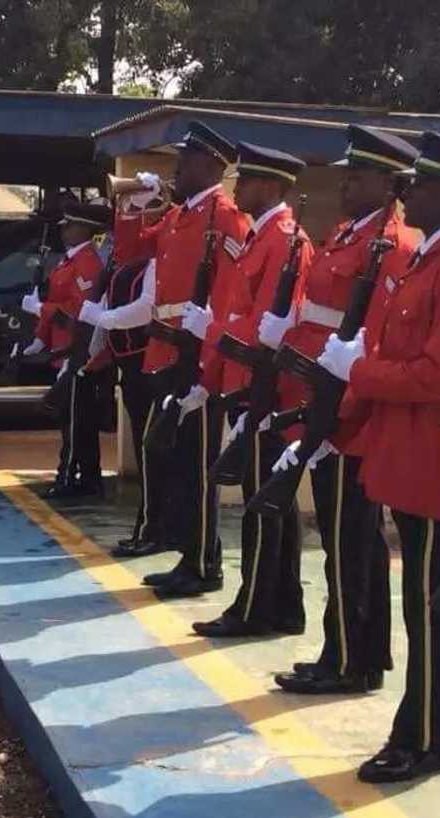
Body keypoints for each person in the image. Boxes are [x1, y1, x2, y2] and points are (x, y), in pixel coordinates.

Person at [316, 132, 440, 783]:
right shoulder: (433, 259)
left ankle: (418, 737)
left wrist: (360, 371)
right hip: (420, 448)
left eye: (418, 183)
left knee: (430, 600)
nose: (406, 191)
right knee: (434, 597)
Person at [269, 126, 419, 695]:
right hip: (322, 404)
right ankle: (349, 650)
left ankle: (352, 660)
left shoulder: (390, 247)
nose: (345, 182)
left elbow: (373, 347)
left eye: (358, 175)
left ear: (388, 184)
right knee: (341, 544)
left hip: (349, 421)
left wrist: (336, 425)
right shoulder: (345, 236)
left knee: (352, 545)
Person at [187, 142, 314, 638]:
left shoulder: (283, 239)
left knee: (262, 503)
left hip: (270, 387)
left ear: (275, 188)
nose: (238, 185)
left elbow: (265, 326)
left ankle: (257, 605)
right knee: (267, 498)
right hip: (252, 381)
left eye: (250, 179)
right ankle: (282, 604)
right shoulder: (263, 237)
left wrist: (214, 331)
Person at [130, 121, 251, 599]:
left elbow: (229, 294)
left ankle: (204, 563)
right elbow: (131, 247)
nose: (176, 168)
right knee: (177, 461)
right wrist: (137, 202)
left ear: (211, 166)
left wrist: (208, 364)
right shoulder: (182, 215)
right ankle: (187, 553)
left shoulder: (225, 217)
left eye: (186, 160)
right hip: (168, 347)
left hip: (197, 355)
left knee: (199, 464)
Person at [77, 173, 174, 555]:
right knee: (145, 443)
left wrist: (104, 319)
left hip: (146, 360)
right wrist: (133, 202)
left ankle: (156, 526)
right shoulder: (135, 255)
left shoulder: (157, 255)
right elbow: (128, 240)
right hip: (129, 361)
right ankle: (150, 524)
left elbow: (145, 307)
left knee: (154, 449)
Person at [20, 202, 110, 498]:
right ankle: (88, 478)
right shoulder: (67, 262)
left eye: (70, 225)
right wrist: (40, 336)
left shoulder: (87, 264)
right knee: (73, 418)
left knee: (76, 420)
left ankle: (69, 476)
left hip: (79, 353)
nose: (64, 230)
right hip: (62, 351)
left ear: (84, 228)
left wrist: (42, 309)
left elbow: (76, 314)